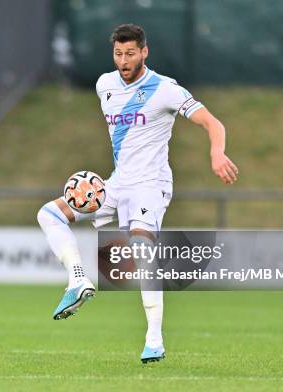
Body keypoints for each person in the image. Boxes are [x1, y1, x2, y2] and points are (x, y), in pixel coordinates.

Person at [37, 23, 239, 363]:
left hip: (151, 185)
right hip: (116, 184)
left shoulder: (166, 89)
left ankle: (154, 339)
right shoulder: (105, 85)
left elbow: (212, 123)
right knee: (49, 213)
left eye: (130, 53)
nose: (124, 60)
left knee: (143, 250)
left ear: (144, 52)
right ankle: (77, 280)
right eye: (118, 53)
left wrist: (217, 152)